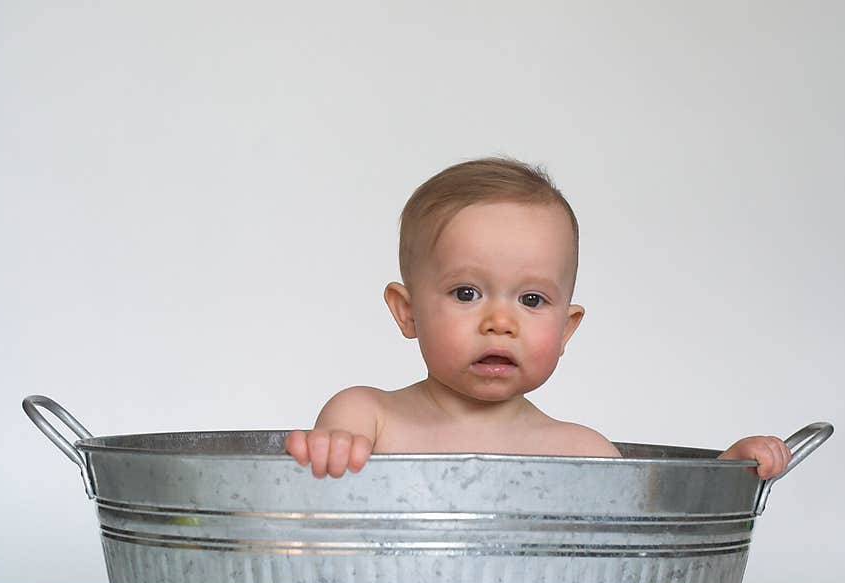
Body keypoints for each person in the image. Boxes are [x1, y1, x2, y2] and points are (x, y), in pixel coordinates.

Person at [286, 157, 791, 480]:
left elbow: (663, 530)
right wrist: (331, 452)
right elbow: (316, 502)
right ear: (408, 311)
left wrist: (732, 472)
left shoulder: (580, 451)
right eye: (467, 292)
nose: (500, 322)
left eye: (531, 300)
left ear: (567, 329)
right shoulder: (367, 417)